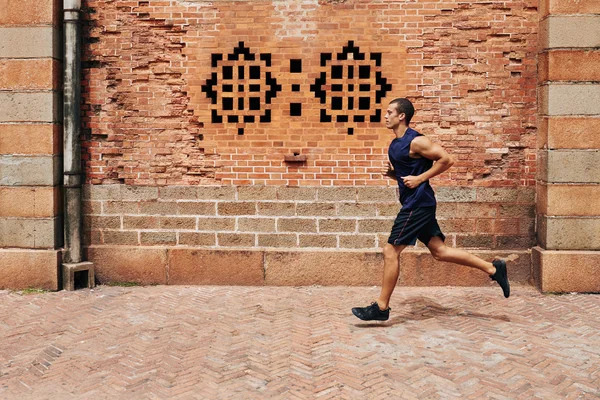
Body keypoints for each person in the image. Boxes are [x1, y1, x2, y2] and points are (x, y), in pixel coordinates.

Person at [352, 98, 510, 321]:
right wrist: (393, 175)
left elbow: (447, 159)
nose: (385, 116)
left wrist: (420, 178)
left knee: (390, 251)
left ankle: (381, 307)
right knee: (440, 251)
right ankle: (494, 269)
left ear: (401, 116)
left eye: (389, 112)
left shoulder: (416, 141)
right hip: (418, 203)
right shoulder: (395, 144)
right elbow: (408, 170)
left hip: (417, 204)